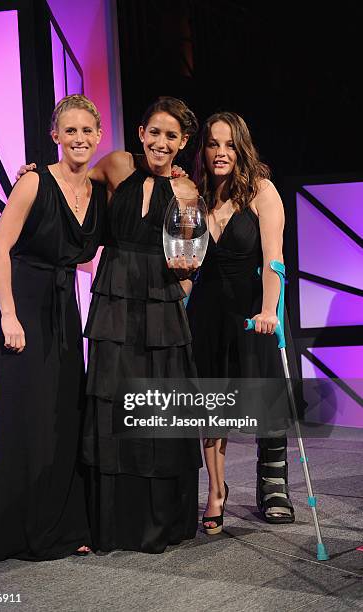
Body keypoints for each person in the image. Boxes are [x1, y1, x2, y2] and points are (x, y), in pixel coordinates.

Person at [0, 94, 107, 561]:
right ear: (56, 136)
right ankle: (18, 533)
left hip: (63, 313)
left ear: (98, 137)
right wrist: (9, 314)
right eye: (69, 131)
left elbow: (88, 257)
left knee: (62, 417)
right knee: (27, 419)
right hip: (25, 308)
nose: (78, 139)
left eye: (86, 131)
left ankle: (62, 525)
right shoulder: (33, 182)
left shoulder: (97, 188)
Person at [81, 97, 202, 553]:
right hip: (115, 298)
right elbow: (70, 186)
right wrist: (29, 175)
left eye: (171, 136)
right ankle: (111, 523)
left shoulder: (189, 191)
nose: (161, 142)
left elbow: (189, 260)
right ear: (141, 133)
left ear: (183, 142)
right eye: (155, 132)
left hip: (160, 304)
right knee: (113, 401)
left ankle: (159, 523)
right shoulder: (115, 165)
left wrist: (175, 297)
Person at [185, 112, 295, 533]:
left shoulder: (261, 191)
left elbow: (274, 258)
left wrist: (269, 310)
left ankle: (273, 484)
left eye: (229, 144)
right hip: (207, 311)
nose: (221, 152)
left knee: (264, 395)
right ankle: (216, 490)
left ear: (242, 148)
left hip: (254, 310)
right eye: (213, 144)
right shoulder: (193, 193)